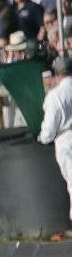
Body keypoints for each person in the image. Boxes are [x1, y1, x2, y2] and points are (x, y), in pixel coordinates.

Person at [39, 56, 72, 223]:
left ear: (57, 74)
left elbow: (49, 128)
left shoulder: (55, 95)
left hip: (66, 139)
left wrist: (43, 138)